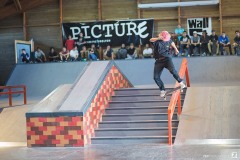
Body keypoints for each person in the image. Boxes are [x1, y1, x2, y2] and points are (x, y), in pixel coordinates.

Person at [150, 31, 186, 97]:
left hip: (167, 59)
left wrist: (176, 49)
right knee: (156, 77)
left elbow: (171, 42)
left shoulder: (168, 40)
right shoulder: (156, 41)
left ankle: (181, 82)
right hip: (158, 61)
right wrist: (158, 38)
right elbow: (151, 40)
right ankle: (162, 90)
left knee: (173, 71)